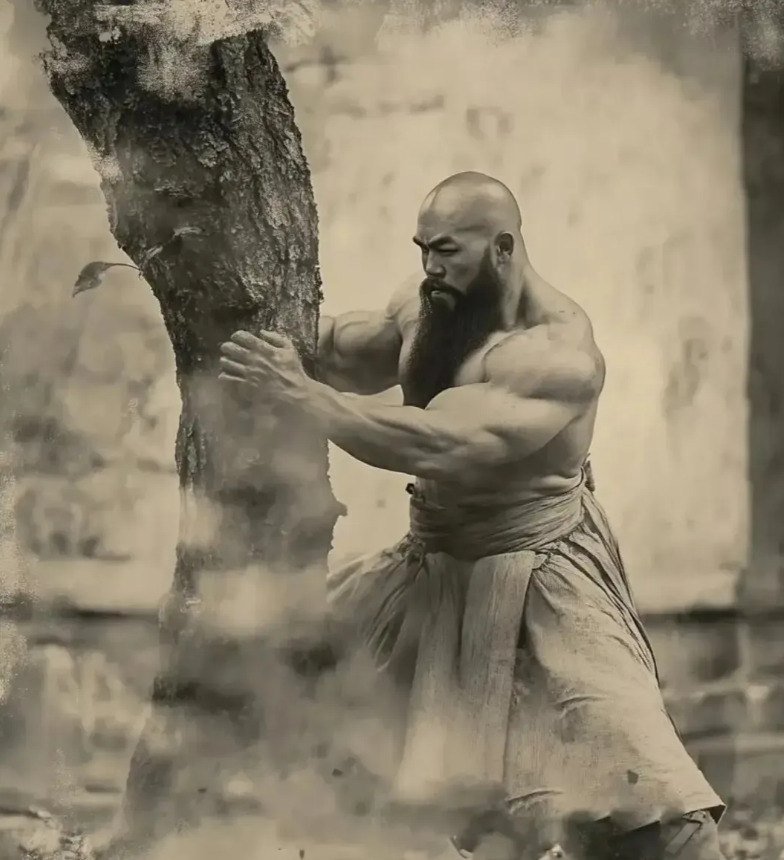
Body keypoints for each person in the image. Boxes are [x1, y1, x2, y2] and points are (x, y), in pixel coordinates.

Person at [218, 172, 725, 860]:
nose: (430, 266)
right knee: (281, 705)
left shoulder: (558, 356)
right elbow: (337, 351)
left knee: (652, 804)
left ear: (503, 248)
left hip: (546, 574)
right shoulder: (430, 306)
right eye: (423, 248)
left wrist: (305, 399)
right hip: (431, 562)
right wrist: (237, 322)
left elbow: (440, 442)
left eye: (447, 250)